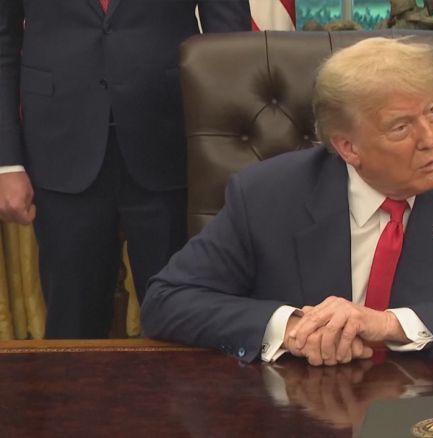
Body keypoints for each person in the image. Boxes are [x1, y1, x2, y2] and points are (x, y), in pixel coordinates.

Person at [141, 37, 433, 366]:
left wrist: (389, 324)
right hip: (300, 405)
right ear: (348, 148)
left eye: (431, 111)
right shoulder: (267, 195)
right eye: (401, 127)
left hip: (430, 407)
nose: (431, 140)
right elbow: (168, 300)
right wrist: (292, 328)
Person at [0, 1, 252, 338]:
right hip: (60, 146)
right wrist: (7, 162)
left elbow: (230, 42)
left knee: (179, 320)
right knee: (72, 326)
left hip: (169, 143)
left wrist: (228, 153)